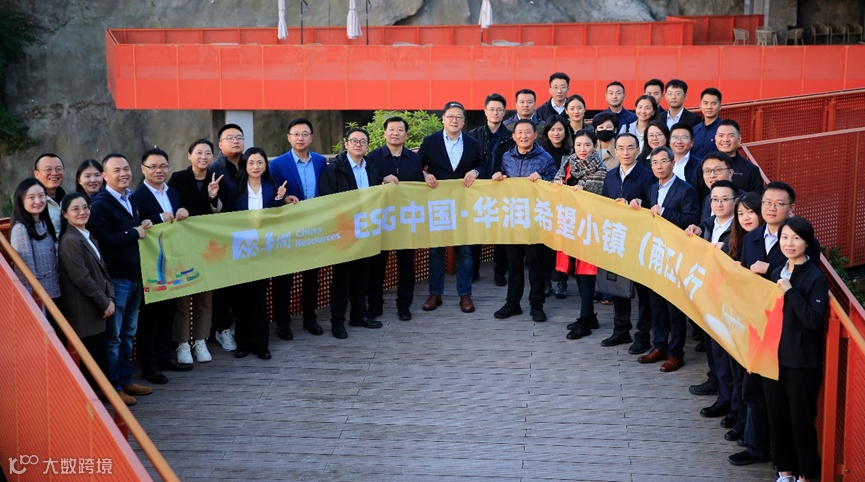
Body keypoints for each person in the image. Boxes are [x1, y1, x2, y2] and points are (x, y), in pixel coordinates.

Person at [730, 181, 820, 467]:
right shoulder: (753, 236)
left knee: (786, 404)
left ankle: (786, 461)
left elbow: (804, 277)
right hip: (759, 325)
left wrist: (769, 270)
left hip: (788, 333)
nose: (771, 208)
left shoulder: (803, 239)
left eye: (779, 204)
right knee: (754, 390)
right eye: (767, 203)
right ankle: (757, 445)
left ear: (791, 208)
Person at [765, 216, 828, 482]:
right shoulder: (777, 270)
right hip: (773, 358)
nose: (789, 243)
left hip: (802, 362)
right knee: (777, 418)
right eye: (784, 238)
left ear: (807, 242)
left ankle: (806, 475)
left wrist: (791, 291)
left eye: (796, 238)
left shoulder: (815, 277)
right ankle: (785, 472)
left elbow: (813, 321)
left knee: (801, 421)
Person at [87, 153, 153, 406]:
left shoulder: (130, 198)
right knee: (113, 338)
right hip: (116, 281)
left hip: (135, 277)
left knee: (128, 333)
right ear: (105, 176)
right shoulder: (100, 204)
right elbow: (100, 240)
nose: (123, 173)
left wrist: (141, 226)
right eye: (116, 170)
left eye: (126, 168)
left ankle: (126, 380)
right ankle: (113, 387)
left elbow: (131, 231)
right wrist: (132, 232)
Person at [320, 128, 398, 338]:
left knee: (362, 276)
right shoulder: (334, 169)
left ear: (367, 146)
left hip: (366, 230)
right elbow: (326, 200)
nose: (358, 144)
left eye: (362, 141)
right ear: (346, 144)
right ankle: (337, 321)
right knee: (342, 279)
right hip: (344, 231)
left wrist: (384, 180)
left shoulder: (370, 167)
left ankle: (358, 315)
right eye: (353, 141)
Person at [635, 146, 699, 373]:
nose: (659, 166)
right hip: (657, 253)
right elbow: (649, 213)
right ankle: (660, 346)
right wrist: (637, 203)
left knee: (674, 307)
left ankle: (676, 353)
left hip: (677, 255)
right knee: (657, 304)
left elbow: (691, 219)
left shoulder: (686, 189)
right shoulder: (653, 188)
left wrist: (664, 212)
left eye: (663, 161)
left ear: (673, 163)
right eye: (654, 162)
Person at [133, 148, 194, 385]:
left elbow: (181, 221)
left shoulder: (174, 193)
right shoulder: (136, 197)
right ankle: (150, 365)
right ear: (143, 169)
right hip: (151, 266)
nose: (159, 171)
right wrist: (159, 218)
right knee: (150, 318)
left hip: (173, 263)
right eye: (153, 166)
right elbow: (138, 224)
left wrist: (184, 211)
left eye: (163, 166)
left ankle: (165, 357)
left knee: (168, 313)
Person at [229, 147, 297, 357]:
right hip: (241, 250)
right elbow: (223, 214)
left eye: (260, 162)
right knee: (242, 299)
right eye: (251, 162)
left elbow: (276, 217)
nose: (256, 166)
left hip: (264, 251)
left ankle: (261, 345)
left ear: (266, 165)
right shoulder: (233, 188)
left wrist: (281, 200)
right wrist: (213, 197)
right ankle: (243, 344)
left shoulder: (272, 188)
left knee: (260, 298)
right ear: (244, 165)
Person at [167, 139, 230, 365]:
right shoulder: (177, 179)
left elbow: (223, 212)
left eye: (207, 153)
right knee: (183, 298)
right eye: (199, 152)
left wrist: (213, 197)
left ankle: (200, 340)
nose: (203, 157)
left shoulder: (218, 178)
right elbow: (170, 205)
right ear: (189, 155)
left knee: (205, 297)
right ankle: (183, 343)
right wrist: (179, 210)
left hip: (207, 248)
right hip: (183, 248)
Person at [419, 101, 484, 314]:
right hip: (438, 203)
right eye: (450, 116)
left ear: (464, 121)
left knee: (465, 250)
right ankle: (435, 294)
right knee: (436, 250)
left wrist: (475, 171)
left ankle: (465, 295)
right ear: (443, 119)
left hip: (464, 203)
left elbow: (482, 164)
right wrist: (425, 175)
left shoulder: (473, 143)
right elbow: (417, 164)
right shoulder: (430, 141)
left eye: (458, 117)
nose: (454, 120)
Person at [490, 119, 558, 322]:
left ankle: (537, 305)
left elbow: (556, 184)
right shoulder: (506, 157)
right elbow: (502, 181)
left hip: (535, 219)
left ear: (535, 135)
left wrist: (543, 180)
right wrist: (498, 176)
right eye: (519, 132)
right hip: (513, 218)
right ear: (513, 136)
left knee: (536, 265)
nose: (523, 136)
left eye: (528, 132)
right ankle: (512, 304)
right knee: (513, 265)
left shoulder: (545, 158)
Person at [269, 118, 329, 339]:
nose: (300, 138)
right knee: (284, 278)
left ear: (311, 138)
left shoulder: (321, 161)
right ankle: (282, 322)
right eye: (296, 134)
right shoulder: (277, 164)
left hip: (313, 228)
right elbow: (272, 195)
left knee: (311, 277)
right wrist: (283, 199)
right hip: (287, 229)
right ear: (289, 138)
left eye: (305, 134)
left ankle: (309, 318)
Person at [684, 180, 738, 424]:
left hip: (730, 301)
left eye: (725, 199)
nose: (719, 204)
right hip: (708, 295)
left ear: (735, 201)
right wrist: (695, 229)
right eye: (715, 199)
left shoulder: (741, 229)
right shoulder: (708, 224)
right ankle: (723, 398)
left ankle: (735, 408)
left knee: (730, 356)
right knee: (715, 351)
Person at [599, 133, 655, 353]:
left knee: (643, 291)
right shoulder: (610, 175)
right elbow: (604, 204)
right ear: (615, 150)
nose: (625, 152)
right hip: (618, 237)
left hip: (640, 239)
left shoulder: (648, 176)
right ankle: (621, 330)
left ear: (638, 150)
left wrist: (638, 205)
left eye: (630, 147)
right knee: (618, 287)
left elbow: (654, 205)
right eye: (621, 148)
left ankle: (643, 335)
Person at [366, 116, 424, 321]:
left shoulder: (415, 159)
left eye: (400, 130)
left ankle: (404, 305)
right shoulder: (372, 157)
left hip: (406, 219)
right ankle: (375, 305)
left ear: (406, 135)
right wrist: (382, 179)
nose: (395, 133)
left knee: (406, 264)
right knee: (377, 264)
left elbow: (419, 187)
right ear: (384, 133)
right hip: (380, 219)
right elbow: (367, 183)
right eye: (391, 129)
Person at [551, 130, 607, 337]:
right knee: (576, 271)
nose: (582, 149)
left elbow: (599, 196)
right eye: (578, 145)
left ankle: (585, 319)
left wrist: (582, 191)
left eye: (587, 145)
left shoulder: (601, 170)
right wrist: (557, 186)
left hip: (589, 227)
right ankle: (589, 316)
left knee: (585, 273)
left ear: (595, 146)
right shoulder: (567, 163)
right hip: (569, 225)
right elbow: (556, 185)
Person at [57, 192, 113, 396]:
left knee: (99, 354)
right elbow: (82, 278)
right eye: (75, 209)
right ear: (65, 214)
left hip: (98, 306)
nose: (82, 212)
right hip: (84, 309)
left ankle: (106, 396)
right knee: (91, 358)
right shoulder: (70, 240)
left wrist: (110, 297)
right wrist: (104, 302)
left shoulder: (87, 235)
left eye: (85, 207)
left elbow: (104, 270)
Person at [468, 93, 511, 286]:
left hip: (502, 188)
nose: (495, 112)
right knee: (476, 231)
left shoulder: (511, 136)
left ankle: (500, 272)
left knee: (501, 233)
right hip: (477, 190)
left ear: (504, 112)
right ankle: (473, 270)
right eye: (491, 109)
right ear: (485, 111)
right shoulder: (473, 135)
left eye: (499, 109)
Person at [10, 178, 60, 307]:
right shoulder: (21, 229)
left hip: (54, 292)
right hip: (39, 299)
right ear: (21, 200)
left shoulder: (44, 223)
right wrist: (32, 303)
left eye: (41, 196)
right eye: (31, 197)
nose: (38, 201)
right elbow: (25, 272)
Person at [713, 119, 764, 195]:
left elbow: (756, 199)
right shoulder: (705, 166)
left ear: (739, 139)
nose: (725, 140)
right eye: (721, 136)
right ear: (715, 138)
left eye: (731, 136)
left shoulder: (751, 170)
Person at [33, 153, 66, 236]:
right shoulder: (33, 204)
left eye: (59, 169)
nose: (54, 173)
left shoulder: (67, 200)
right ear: (36, 174)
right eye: (48, 169)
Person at [691, 87, 723, 160]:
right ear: (700, 105)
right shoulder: (695, 130)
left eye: (713, 103)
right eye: (705, 103)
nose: (709, 107)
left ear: (720, 106)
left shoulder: (724, 130)